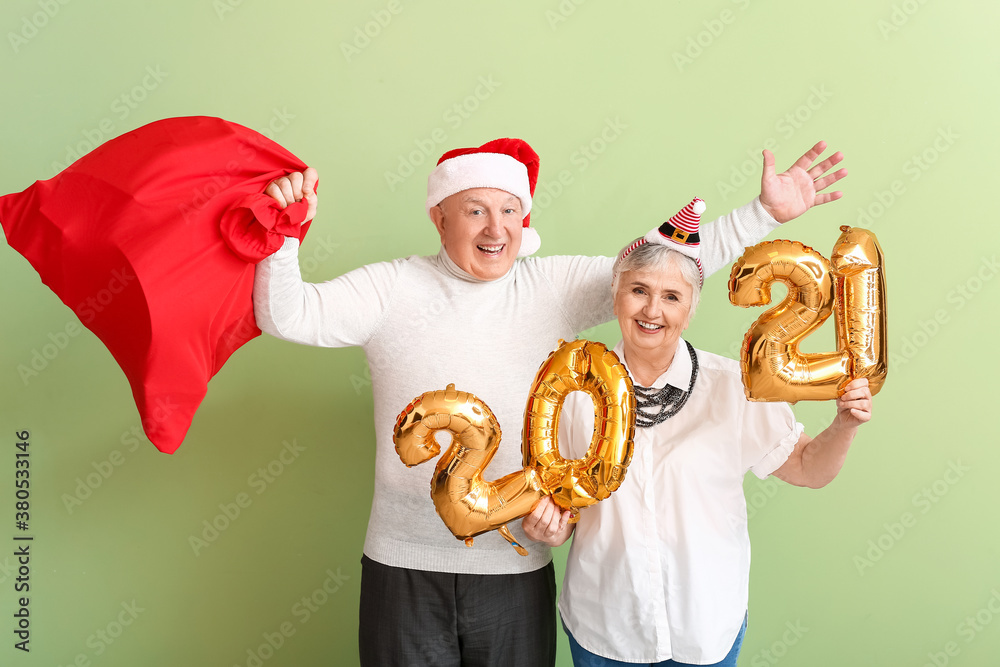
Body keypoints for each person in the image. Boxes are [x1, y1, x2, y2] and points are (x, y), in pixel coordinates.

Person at [253, 138, 847, 667]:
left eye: (510, 210)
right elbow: (288, 315)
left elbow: (661, 267)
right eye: (475, 210)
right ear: (439, 217)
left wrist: (762, 213)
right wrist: (280, 236)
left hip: (515, 565)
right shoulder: (390, 287)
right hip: (403, 564)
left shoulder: (551, 287)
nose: (495, 228)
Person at [521, 200, 873, 667]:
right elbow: (564, 509)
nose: (652, 309)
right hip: (605, 627)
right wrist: (547, 527)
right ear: (616, 296)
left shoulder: (735, 387)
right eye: (638, 291)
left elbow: (810, 469)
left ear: (689, 311)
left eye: (671, 297)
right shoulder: (571, 389)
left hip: (706, 628)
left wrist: (845, 424)